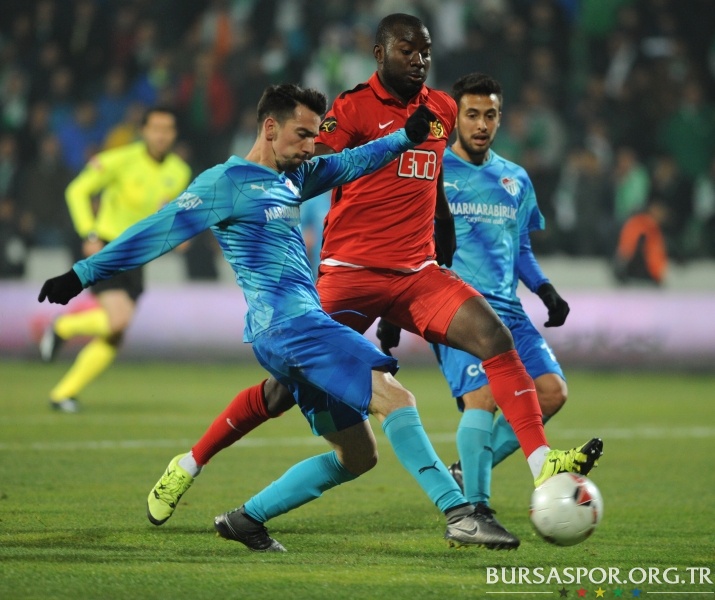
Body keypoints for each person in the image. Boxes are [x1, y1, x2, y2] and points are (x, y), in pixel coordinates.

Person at [146, 14, 602, 550]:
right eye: (408, 50)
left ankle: (540, 462)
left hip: (416, 273)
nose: (419, 59)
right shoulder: (350, 108)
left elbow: (433, 187)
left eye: (425, 50)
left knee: (494, 337)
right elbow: (309, 168)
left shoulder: (442, 109)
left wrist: (441, 250)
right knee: (283, 390)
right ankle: (191, 462)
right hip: (350, 275)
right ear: (379, 54)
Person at [39, 83, 506, 552]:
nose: (311, 146)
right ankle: (460, 515)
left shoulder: (295, 177)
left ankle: (246, 520)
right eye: (302, 135)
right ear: (269, 128)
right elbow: (156, 231)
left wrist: (404, 138)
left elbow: (352, 162)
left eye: (314, 136)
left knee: (358, 455)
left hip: (297, 330)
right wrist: (81, 274)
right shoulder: (226, 183)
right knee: (396, 398)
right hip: (290, 328)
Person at [377, 73, 573, 542]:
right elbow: (407, 242)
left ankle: (468, 468)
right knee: (482, 397)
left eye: (490, 115)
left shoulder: (515, 179)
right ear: (455, 119)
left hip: (510, 311)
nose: (481, 124)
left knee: (551, 392)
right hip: (457, 307)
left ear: (500, 118)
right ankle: (476, 508)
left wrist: (544, 289)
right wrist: (391, 310)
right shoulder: (434, 170)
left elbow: (520, 246)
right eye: (472, 115)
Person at [38, 106, 192, 412]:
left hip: (138, 255)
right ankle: (63, 327)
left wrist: (181, 233)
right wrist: (89, 232)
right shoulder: (119, 160)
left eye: (167, 129)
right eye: (156, 128)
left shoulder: (179, 172)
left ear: (174, 134)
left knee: (115, 333)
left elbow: (171, 212)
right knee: (118, 320)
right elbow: (77, 190)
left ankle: (63, 394)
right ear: (144, 131)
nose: (161, 136)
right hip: (107, 247)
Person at [613, 196, 669, 286]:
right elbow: (626, 251)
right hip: (638, 278)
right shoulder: (640, 225)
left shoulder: (656, 229)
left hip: (651, 278)